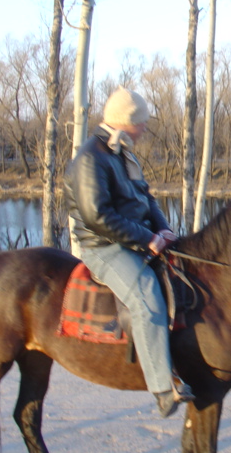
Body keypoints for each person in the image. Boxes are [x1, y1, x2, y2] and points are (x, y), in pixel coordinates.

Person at [64, 86, 193, 418]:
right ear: (125, 121)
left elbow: (146, 198)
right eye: (142, 121)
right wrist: (147, 239)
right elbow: (97, 217)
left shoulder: (122, 152)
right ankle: (163, 389)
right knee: (147, 295)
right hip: (103, 246)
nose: (146, 127)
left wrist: (163, 229)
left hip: (133, 238)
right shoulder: (91, 157)